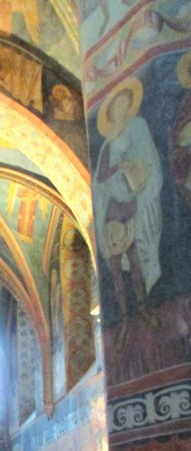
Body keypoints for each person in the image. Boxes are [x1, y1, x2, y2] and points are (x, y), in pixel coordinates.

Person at [93, 76, 163, 350]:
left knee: (135, 260)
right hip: (112, 209)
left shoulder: (137, 127)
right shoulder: (106, 143)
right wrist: (117, 169)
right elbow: (100, 177)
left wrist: (133, 169)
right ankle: (123, 320)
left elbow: (146, 159)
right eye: (117, 104)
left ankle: (143, 309)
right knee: (114, 269)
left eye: (125, 102)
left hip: (131, 203)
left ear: (130, 104)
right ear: (111, 111)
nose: (121, 107)